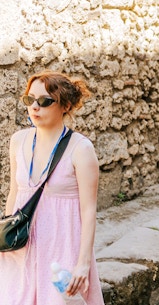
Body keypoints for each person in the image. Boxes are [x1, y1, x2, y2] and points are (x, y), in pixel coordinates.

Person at [0, 70, 104, 304]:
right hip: (21, 248)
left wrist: (83, 263)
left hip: (61, 247)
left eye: (45, 101)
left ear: (65, 106)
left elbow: (89, 211)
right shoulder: (18, 141)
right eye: (30, 100)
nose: (34, 107)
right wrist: (5, 238)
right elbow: (14, 193)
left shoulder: (81, 149)